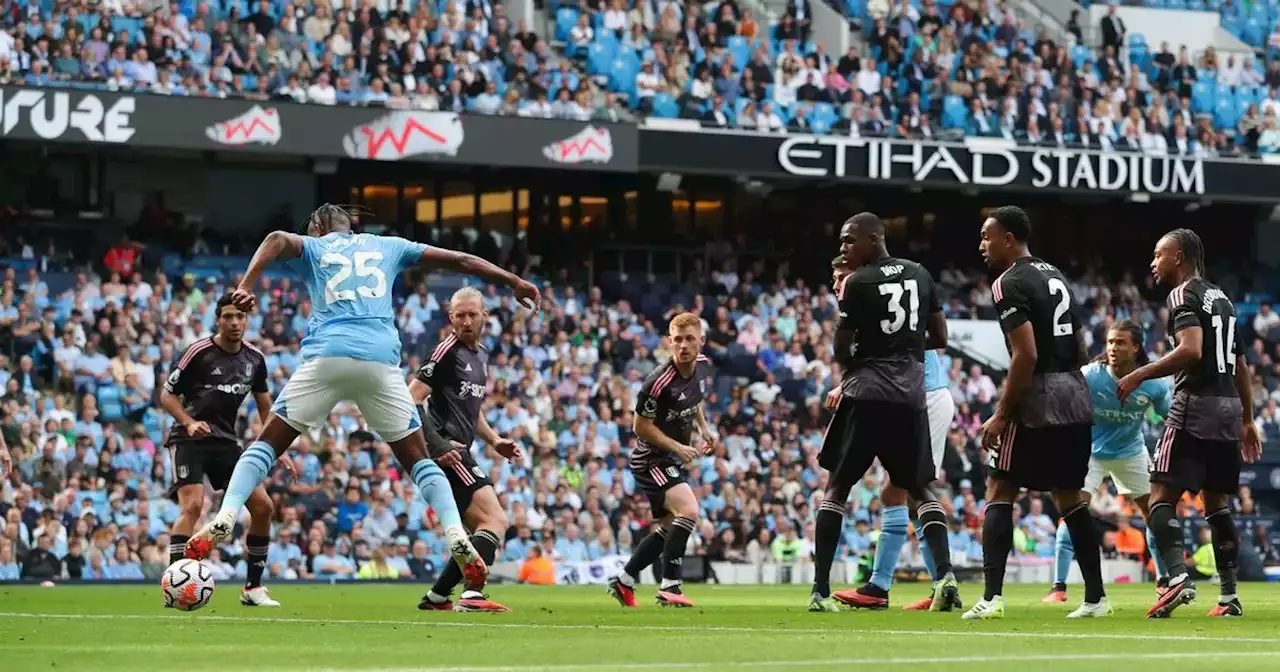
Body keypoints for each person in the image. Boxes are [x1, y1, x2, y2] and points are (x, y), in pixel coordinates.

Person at [186, 203, 541, 605]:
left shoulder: (315, 248)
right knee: (420, 462)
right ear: (352, 226)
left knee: (264, 448)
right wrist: (514, 281)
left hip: (327, 357)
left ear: (319, 227)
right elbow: (460, 259)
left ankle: (227, 515)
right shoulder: (388, 245)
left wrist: (247, 284)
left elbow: (275, 240)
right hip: (379, 363)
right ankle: (456, 533)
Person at [809, 213, 958, 613]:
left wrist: (872, 348)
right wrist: (904, 344)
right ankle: (943, 578)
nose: (843, 248)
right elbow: (940, 338)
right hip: (912, 397)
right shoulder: (920, 274)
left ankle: (823, 591)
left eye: (848, 241)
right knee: (918, 488)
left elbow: (842, 351)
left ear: (873, 239)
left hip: (875, 393)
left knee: (838, 488)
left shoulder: (860, 283)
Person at [966, 205, 1107, 620]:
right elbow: (1080, 346)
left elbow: (1025, 355)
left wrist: (1002, 414)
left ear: (1009, 238)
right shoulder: (1055, 274)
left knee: (1000, 488)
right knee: (1070, 498)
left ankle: (991, 598)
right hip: (1075, 394)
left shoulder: (1008, 282)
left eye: (987, 237)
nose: (982, 246)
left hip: (1037, 399)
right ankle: (1096, 599)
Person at [1116, 228, 1260, 618]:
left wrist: (1139, 373)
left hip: (1195, 404)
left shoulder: (1183, 294)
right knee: (1217, 504)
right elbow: (1242, 365)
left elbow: (1191, 350)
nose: (1153, 262)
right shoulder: (1223, 298)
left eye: (1158, 255)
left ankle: (1177, 579)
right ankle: (1229, 598)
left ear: (1177, 257)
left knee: (1160, 494)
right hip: (1229, 406)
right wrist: (1247, 419)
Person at [162, 294, 283, 607]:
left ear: (247, 321)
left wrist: (279, 447)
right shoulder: (198, 352)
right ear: (218, 320)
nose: (234, 322)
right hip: (188, 440)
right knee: (192, 506)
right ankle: (175, 584)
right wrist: (188, 422)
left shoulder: (255, 359)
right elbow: (167, 396)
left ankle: (253, 588)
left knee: (263, 507)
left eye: (240, 317)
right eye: (228, 316)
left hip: (226, 443)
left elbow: (265, 406)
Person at [1044, 320, 1171, 603]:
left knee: (1153, 514)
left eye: (1121, 342)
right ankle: (1058, 586)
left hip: (1131, 452)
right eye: (1111, 342)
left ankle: (1163, 580)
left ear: (1136, 347)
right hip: (1090, 452)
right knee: (1073, 510)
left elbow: (1169, 417)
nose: (1113, 347)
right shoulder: (1091, 376)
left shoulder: (1152, 383)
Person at [412, 287, 522, 613]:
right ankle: (473, 595)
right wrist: (439, 444)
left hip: (461, 449)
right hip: (449, 451)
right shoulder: (447, 351)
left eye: (472, 314)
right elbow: (412, 397)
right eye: (460, 315)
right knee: (495, 519)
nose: (466, 321)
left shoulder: (481, 355)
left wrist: (495, 440)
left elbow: (471, 410)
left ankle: (437, 597)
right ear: (451, 318)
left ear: (485, 315)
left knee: (477, 530)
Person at [606, 312, 717, 608]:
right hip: (651, 460)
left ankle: (624, 580)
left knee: (669, 528)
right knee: (689, 510)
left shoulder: (704, 369)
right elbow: (640, 426)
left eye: (689, 339)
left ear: (701, 342)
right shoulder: (658, 382)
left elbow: (695, 398)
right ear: (669, 342)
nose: (683, 346)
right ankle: (670, 585)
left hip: (670, 459)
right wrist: (678, 448)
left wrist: (704, 428)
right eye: (677, 340)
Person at [900, 345, 960, 611]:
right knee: (909, 490)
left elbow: (939, 339)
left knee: (913, 486)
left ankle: (943, 577)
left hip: (923, 395)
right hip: (921, 395)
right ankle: (941, 583)